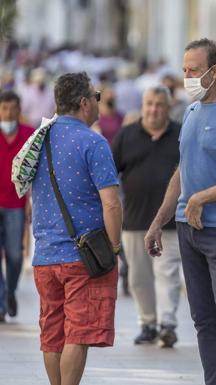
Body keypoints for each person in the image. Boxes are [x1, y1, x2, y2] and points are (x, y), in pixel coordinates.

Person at [145, 38, 216, 385]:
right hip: (187, 228)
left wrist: (202, 198)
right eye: (184, 70)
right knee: (203, 319)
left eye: (193, 71)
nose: (186, 77)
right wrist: (158, 221)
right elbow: (183, 171)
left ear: (215, 71)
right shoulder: (192, 112)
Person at [31, 72, 121, 385]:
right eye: (96, 97)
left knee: (52, 332)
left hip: (44, 255)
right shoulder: (94, 142)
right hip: (83, 258)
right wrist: (115, 246)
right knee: (78, 332)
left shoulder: (38, 139)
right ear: (84, 102)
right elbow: (111, 203)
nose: (98, 102)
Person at [112, 86, 182, 348]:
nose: (154, 109)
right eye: (149, 104)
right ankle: (148, 323)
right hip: (134, 219)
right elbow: (110, 173)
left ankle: (167, 323)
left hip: (170, 222)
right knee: (138, 277)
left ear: (167, 108)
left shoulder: (180, 135)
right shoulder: (126, 135)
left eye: (159, 105)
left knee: (168, 273)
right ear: (143, 106)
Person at [0, 90, 35, 321]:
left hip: (16, 204)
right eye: (4, 108)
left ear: (19, 110)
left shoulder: (30, 135)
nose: (8, 113)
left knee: (14, 255)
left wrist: (31, 200)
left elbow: (37, 171)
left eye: (13, 108)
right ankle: (1, 302)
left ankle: (10, 291)